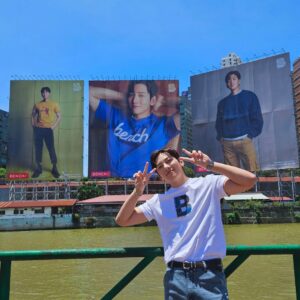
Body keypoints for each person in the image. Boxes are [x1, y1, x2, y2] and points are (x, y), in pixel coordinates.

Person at [116, 147, 257, 299]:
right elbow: (122, 220)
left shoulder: (208, 185)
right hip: (176, 277)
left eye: (169, 160)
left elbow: (249, 180)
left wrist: (210, 165)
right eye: (160, 167)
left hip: (209, 274)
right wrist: (137, 192)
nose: (166, 167)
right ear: (160, 176)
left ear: (181, 162)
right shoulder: (158, 201)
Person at [89, 80, 180, 178]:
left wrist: (163, 101)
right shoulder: (115, 115)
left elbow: (185, 103)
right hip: (114, 180)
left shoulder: (163, 124)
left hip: (147, 183)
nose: (135, 100)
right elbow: (89, 92)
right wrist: (122, 96)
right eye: (132, 95)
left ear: (152, 100)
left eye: (141, 95)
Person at [216, 70, 263, 171]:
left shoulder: (250, 96)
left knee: (252, 172)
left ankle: (255, 188)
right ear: (226, 84)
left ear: (239, 81)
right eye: (229, 80)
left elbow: (257, 117)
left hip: (244, 140)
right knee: (233, 175)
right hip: (227, 143)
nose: (231, 82)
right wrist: (221, 137)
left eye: (234, 79)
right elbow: (218, 123)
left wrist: (250, 134)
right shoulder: (222, 103)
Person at [31, 87, 61, 178]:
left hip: (48, 129)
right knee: (38, 148)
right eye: (43, 93)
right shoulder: (37, 104)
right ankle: (38, 168)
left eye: (46, 92)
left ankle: (54, 168)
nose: (44, 94)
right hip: (38, 130)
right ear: (41, 94)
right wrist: (34, 126)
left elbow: (59, 116)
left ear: (49, 93)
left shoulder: (54, 104)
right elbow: (32, 115)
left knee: (51, 148)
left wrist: (53, 126)